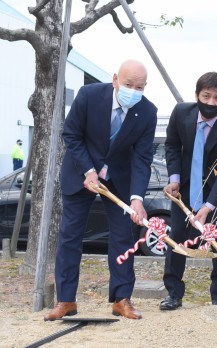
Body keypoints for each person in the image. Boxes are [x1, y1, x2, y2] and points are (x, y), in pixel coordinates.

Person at [44, 59, 157, 321]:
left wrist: (137, 198)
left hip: (119, 180)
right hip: (80, 174)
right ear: (116, 79)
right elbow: (71, 134)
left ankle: (122, 300)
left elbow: (142, 158)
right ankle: (66, 300)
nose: (134, 91)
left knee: (122, 240)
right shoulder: (89, 95)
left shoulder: (148, 112)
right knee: (70, 237)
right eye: (129, 84)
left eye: (140, 87)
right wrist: (88, 170)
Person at [160, 72, 217, 310]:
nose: (211, 102)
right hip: (184, 191)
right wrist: (174, 178)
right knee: (177, 240)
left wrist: (208, 207)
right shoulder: (181, 113)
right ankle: (173, 294)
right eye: (206, 96)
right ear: (197, 95)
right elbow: (172, 145)